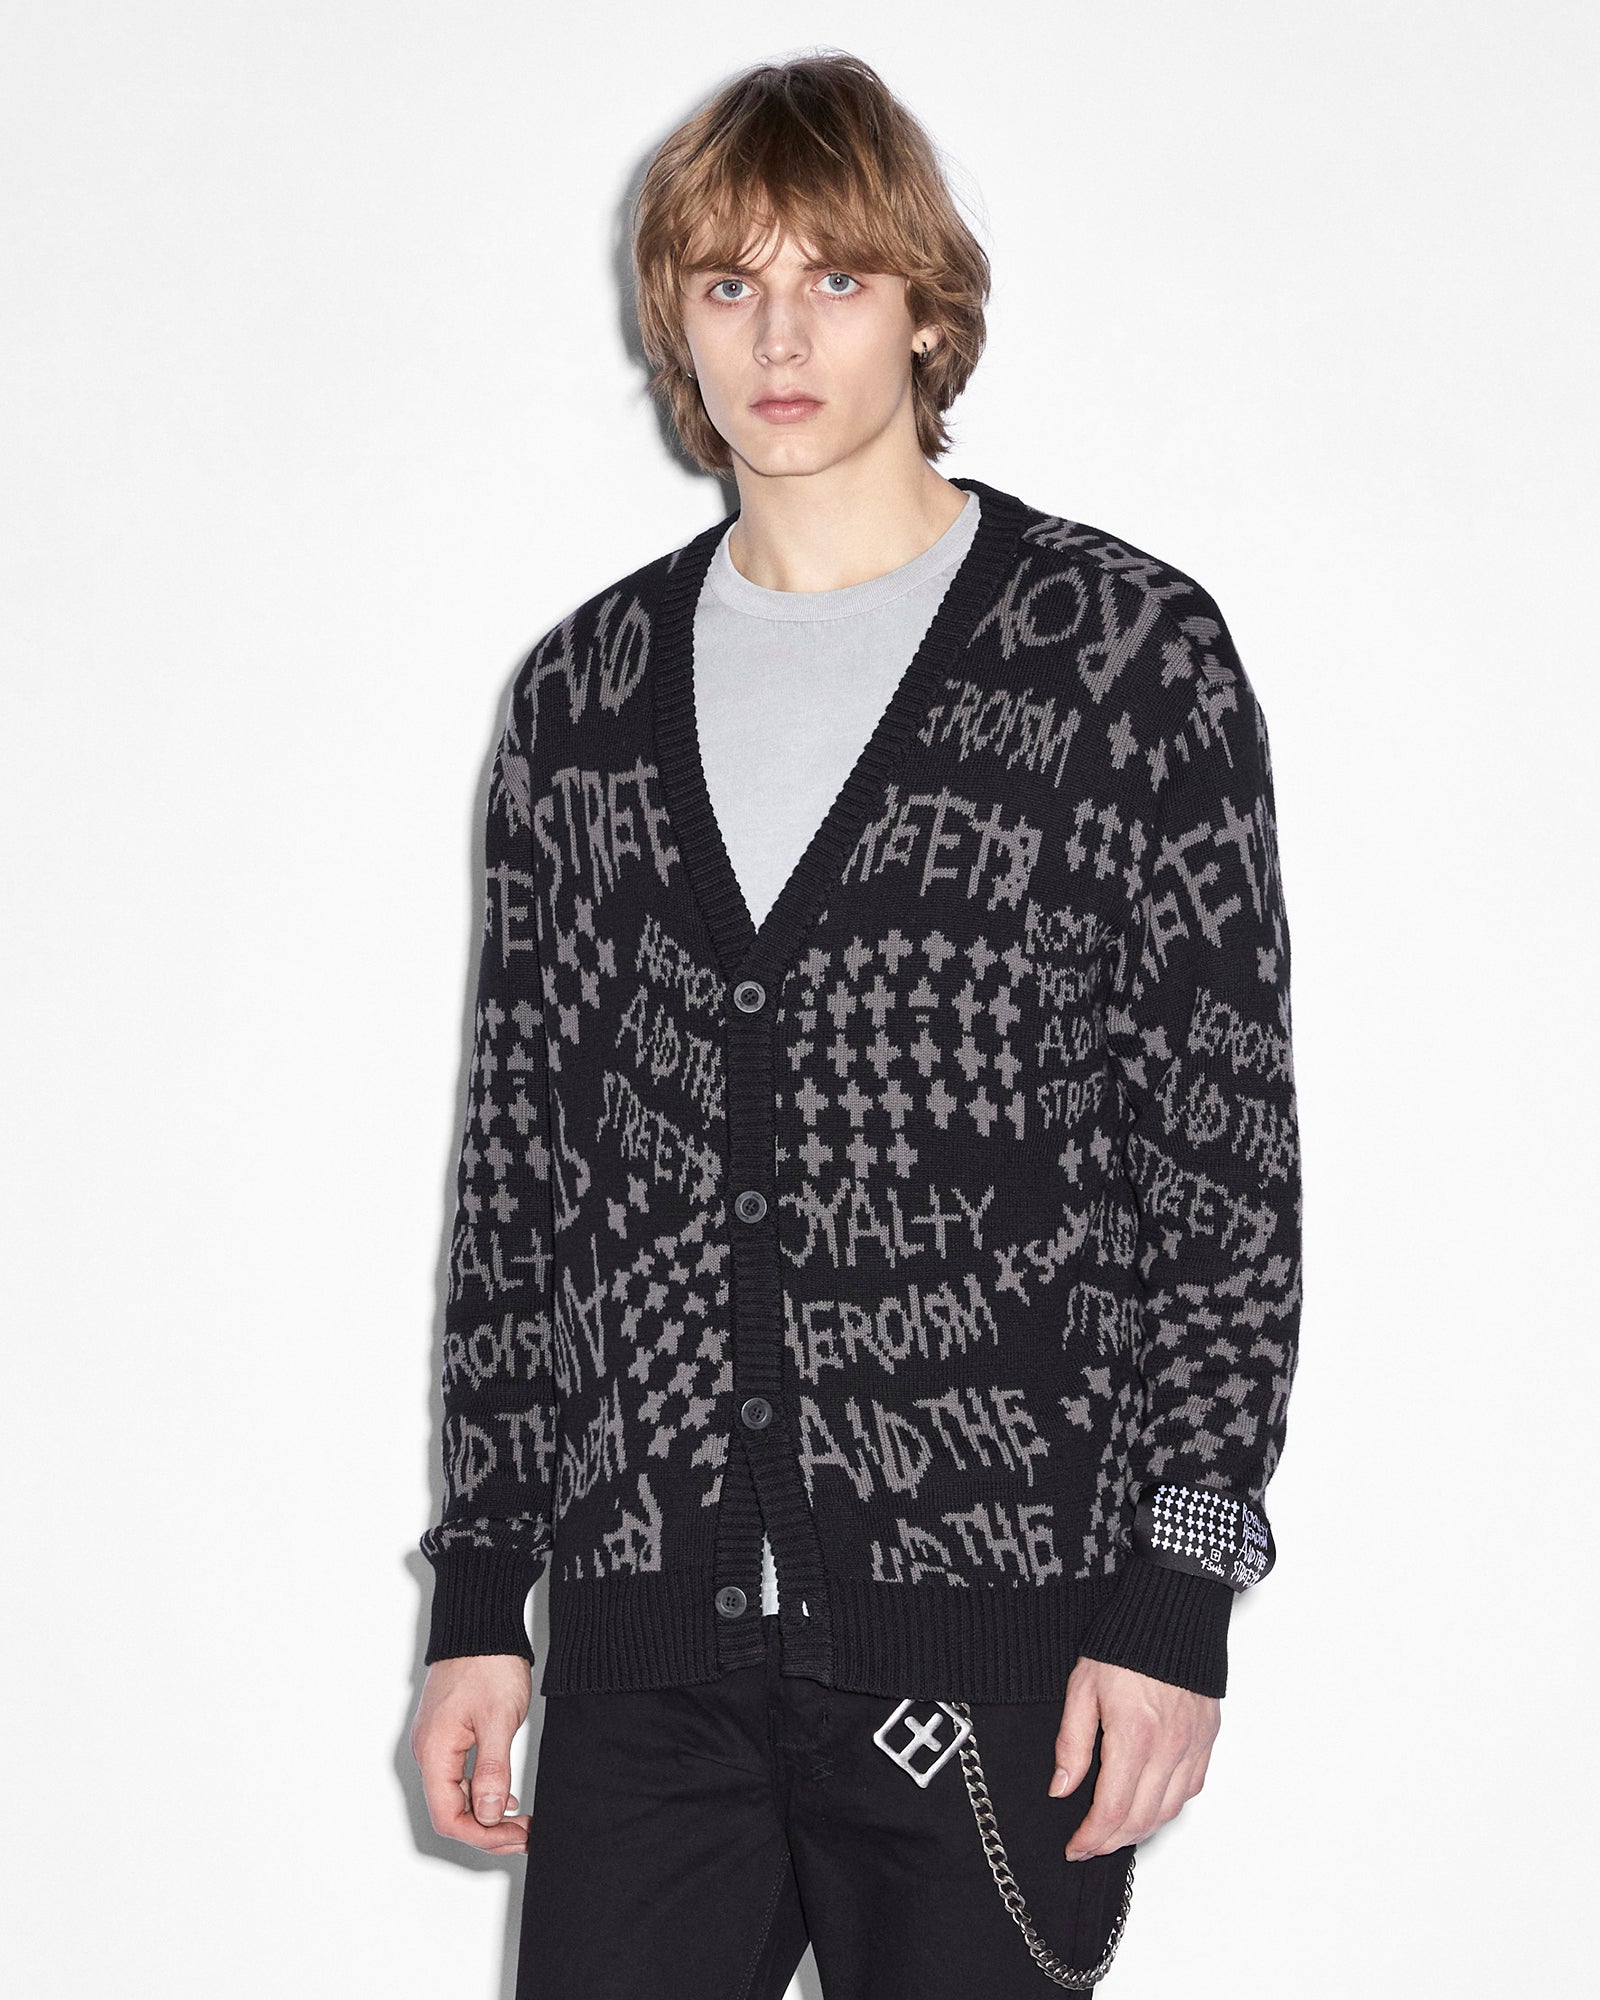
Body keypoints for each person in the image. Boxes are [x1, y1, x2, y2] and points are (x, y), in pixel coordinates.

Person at [410, 49, 1301, 1999]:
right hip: (645, 1655)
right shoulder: (581, 701)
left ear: (923, 309)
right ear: (674, 320)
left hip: (988, 1653)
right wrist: (481, 1591)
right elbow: (521, 1183)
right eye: (728, 282)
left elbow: (1220, 1172)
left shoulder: (1119, 660)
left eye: (835, 276)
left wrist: (1176, 1589)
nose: (780, 335)